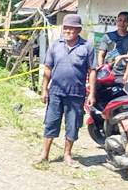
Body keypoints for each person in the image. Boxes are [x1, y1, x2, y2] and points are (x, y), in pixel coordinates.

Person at [37, 14, 96, 167]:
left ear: (79, 30)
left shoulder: (87, 47)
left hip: (76, 94)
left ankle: (67, 155)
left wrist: (92, 94)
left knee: (73, 125)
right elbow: (48, 68)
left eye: (72, 28)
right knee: (50, 122)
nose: (68, 31)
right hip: (55, 92)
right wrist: (44, 90)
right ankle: (44, 154)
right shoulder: (55, 45)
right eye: (66, 28)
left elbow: (92, 71)